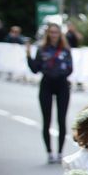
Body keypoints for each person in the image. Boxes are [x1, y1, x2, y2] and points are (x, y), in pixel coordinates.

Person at [26, 23, 73, 163]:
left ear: (60, 34)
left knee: (61, 119)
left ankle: (60, 152)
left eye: (56, 32)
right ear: (48, 34)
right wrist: (28, 55)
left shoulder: (65, 50)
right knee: (47, 120)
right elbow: (35, 68)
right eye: (51, 32)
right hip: (46, 84)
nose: (53, 35)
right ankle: (49, 151)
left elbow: (70, 68)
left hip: (62, 85)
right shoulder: (42, 50)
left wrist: (59, 73)